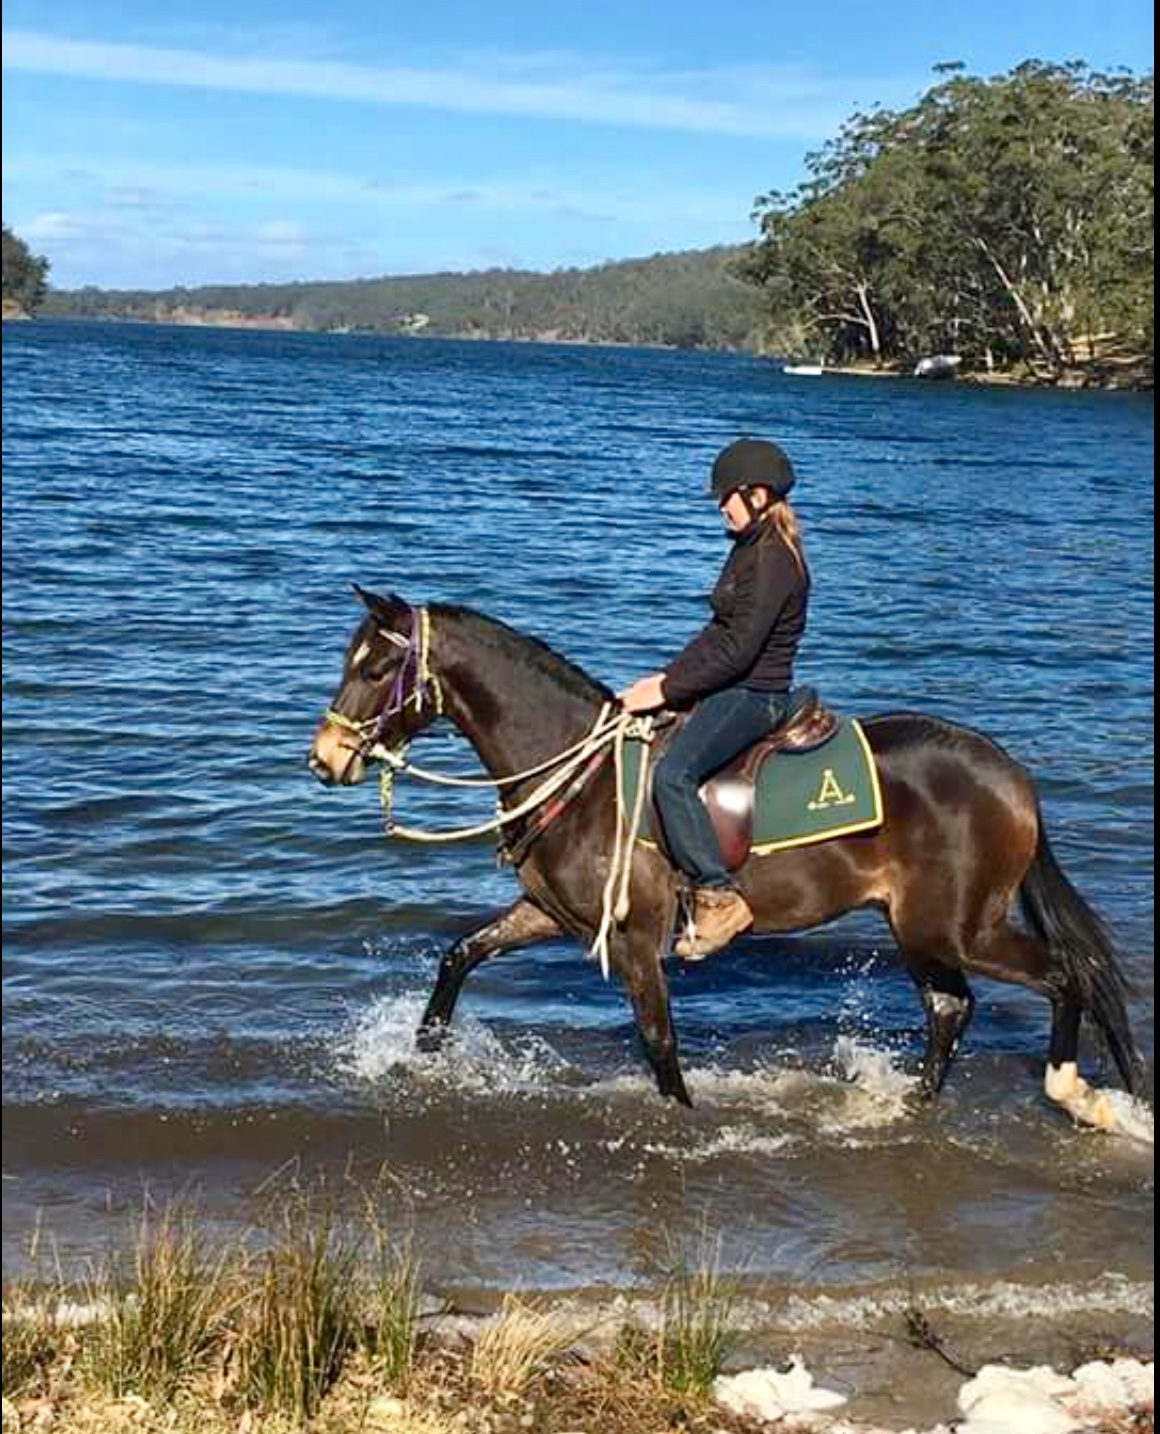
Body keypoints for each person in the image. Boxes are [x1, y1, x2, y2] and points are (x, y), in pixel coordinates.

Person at [619, 438, 811, 959]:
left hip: (755, 694)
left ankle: (718, 894)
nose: (720, 507)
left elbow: (740, 649)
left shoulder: (774, 558)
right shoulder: (749, 546)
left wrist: (670, 689)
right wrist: (665, 678)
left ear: (759, 495)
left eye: (727, 497)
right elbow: (717, 632)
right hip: (732, 682)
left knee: (672, 775)